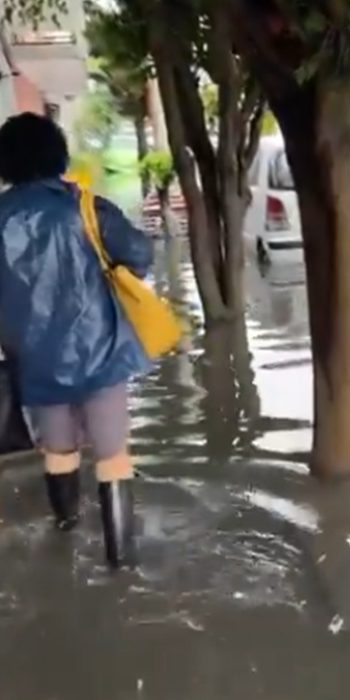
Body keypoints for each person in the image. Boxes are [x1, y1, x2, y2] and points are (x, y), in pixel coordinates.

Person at [0, 113, 154, 568]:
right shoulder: (86, 208)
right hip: (100, 355)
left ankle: (65, 533)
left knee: (59, 451)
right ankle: (120, 562)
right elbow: (140, 256)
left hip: (34, 362)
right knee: (112, 456)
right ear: (57, 155)